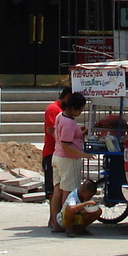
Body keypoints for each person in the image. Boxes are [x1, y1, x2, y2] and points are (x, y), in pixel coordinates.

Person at [49, 92, 88, 232]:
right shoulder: (69, 122)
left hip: (57, 156)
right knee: (69, 193)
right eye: (81, 109)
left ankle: (57, 224)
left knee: (57, 190)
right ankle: (67, 224)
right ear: (74, 108)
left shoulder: (61, 116)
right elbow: (66, 145)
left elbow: (59, 136)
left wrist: (80, 133)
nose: (81, 112)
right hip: (68, 159)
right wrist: (84, 155)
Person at [41, 86, 72, 223]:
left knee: (58, 187)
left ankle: (55, 218)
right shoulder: (53, 109)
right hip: (51, 153)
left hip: (59, 153)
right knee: (53, 190)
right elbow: (50, 129)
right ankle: (54, 219)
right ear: (67, 97)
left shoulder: (62, 111)